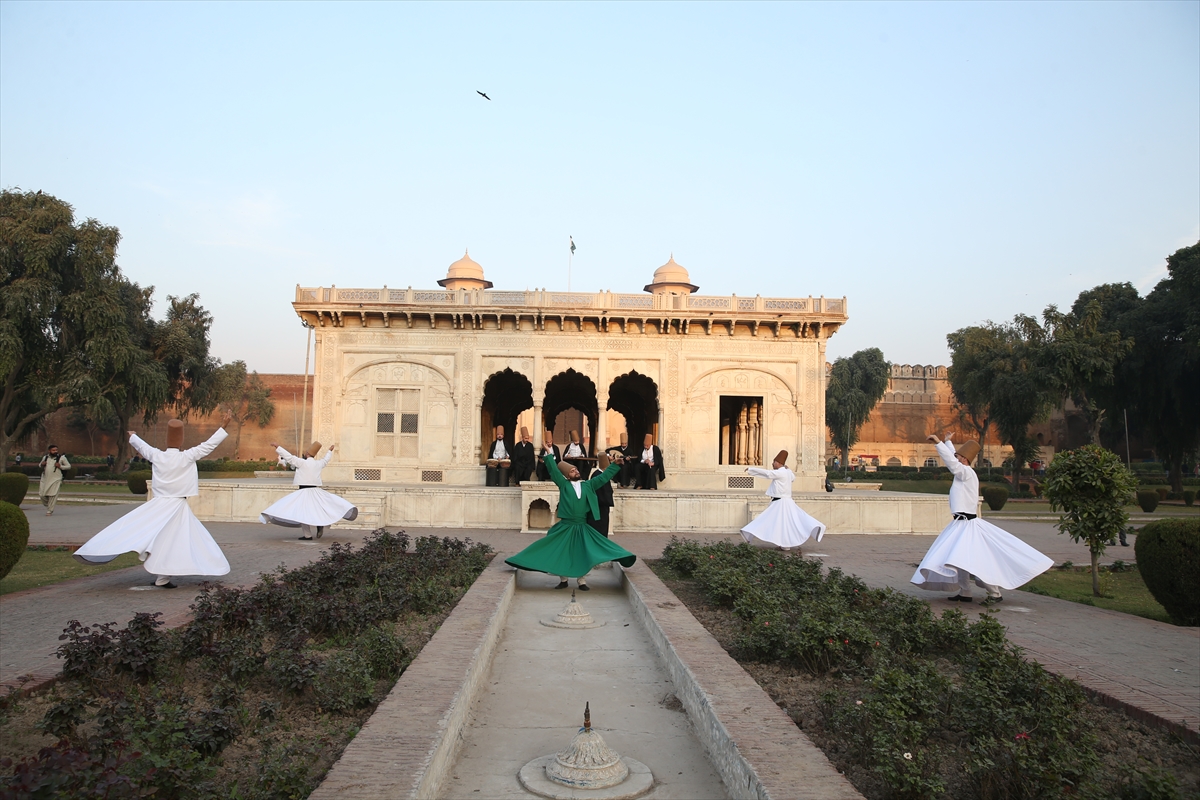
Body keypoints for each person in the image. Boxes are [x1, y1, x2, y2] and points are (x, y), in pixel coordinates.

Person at [74, 415, 234, 588]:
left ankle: (163, 576)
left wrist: (133, 436)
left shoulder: (158, 455)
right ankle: (168, 573)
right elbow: (208, 445)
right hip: (176, 505)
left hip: (160, 504)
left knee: (164, 537)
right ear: (181, 442)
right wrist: (223, 426)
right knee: (179, 539)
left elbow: (143, 447)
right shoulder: (186, 456)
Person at [911, 433, 1053, 604]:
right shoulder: (962, 472)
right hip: (960, 524)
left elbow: (953, 463)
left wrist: (939, 443)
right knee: (958, 558)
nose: (957, 459)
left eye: (960, 457)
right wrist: (948, 442)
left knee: (977, 559)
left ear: (965, 460)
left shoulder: (966, 473)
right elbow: (954, 460)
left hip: (968, 525)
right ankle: (965, 592)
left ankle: (994, 593)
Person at [506, 452, 636, 591]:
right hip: (566, 526)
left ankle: (582, 581)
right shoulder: (564, 485)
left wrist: (614, 466)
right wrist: (549, 455)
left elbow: (604, 477)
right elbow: (554, 472)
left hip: (581, 526)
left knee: (581, 552)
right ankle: (563, 579)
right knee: (563, 552)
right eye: (573, 471)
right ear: (568, 475)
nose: (576, 471)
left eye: (576, 469)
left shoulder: (588, 485)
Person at [260, 441, 358, 540]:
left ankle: (308, 535)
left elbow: (289, 457)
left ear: (307, 454)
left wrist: (278, 447)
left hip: (304, 491)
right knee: (317, 509)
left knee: (303, 512)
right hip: (315, 490)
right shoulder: (318, 463)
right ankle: (319, 524)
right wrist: (329, 451)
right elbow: (325, 460)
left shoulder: (302, 462)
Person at [740, 450, 825, 549]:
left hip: (781, 503)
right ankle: (785, 545)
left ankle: (749, 534)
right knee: (785, 524)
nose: (772, 464)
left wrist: (751, 469)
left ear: (778, 463)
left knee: (765, 520)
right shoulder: (787, 473)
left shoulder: (780, 473)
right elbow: (792, 477)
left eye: (774, 462)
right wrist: (788, 469)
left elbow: (767, 474)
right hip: (784, 502)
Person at [586, 453, 621, 536]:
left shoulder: (598, 474)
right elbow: (603, 492)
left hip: (601, 506)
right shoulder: (598, 475)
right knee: (600, 529)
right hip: (599, 507)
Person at [38, 445, 71, 516]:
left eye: (56, 450)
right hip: (45, 479)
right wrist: (42, 464)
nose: (55, 451)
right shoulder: (45, 457)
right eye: (53, 450)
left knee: (53, 495)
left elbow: (68, 466)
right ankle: (49, 505)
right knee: (41, 494)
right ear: (49, 451)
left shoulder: (62, 458)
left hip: (56, 479)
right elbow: (40, 465)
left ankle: (50, 510)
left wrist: (60, 466)